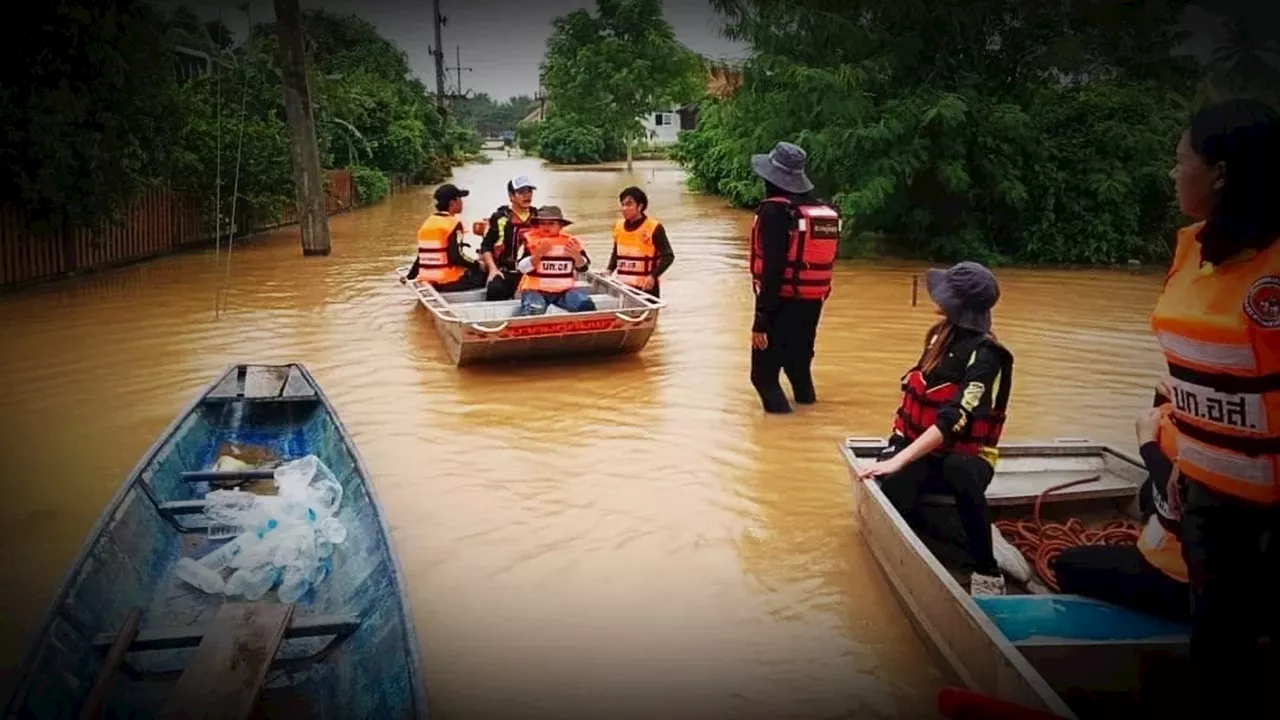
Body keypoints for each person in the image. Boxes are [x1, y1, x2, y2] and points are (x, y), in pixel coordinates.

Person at [1152, 97, 1280, 717]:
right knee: (1219, 658)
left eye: (1181, 161)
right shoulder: (1190, 250)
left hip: (1269, 513)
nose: (1174, 174)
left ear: (1220, 173)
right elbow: (1193, 372)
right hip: (1208, 502)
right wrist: (1182, 452)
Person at [856, 261, 1014, 597]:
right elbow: (916, 396)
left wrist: (900, 460)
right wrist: (894, 449)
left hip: (969, 457)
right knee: (894, 492)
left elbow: (954, 418)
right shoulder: (940, 338)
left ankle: (986, 567)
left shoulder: (987, 356)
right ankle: (941, 541)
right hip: (928, 451)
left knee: (959, 469)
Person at [1050, 405, 1190, 623]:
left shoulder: (1207, 457)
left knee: (1067, 565)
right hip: (1201, 575)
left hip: (1183, 582)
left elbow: (1181, 501)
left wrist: (1147, 444)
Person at [747, 141, 841, 414]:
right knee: (797, 368)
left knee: (763, 377)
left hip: (779, 303)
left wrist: (761, 318)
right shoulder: (820, 211)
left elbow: (773, 269)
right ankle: (807, 424)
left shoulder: (774, 212)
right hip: (811, 303)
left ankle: (780, 439)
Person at [514, 206, 596, 316]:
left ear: (560, 226)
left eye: (551, 223)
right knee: (535, 309)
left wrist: (576, 256)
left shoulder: (571, 242)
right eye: (543, 223)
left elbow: (584, 267)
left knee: (585, 304)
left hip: (564, 291)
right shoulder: (531, 242)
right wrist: (538, 255)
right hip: (536, 291)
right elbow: (521, 268)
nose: (546, 226)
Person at [405, 183, 486, 292]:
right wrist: (478, 265)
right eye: (460, 199)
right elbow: (456, 257)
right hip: (447, 281)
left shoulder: (428, 222)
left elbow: (422, 255)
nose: (462, 202)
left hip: (428, 281)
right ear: (453, 203)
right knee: (484, 274)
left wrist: (410, 276)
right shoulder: (453, 224)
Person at [478, 175, 539, 301]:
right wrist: (493, 269)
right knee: (495, 289)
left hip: (532, 273)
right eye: (521, 192)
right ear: (511, 196)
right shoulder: (500, 217)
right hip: (505, 272)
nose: (527, 195)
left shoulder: (540, 217)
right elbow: (486, 246)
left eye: (529, 191)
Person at [607, 186, 675, 297]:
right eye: (622, 204)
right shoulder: (618, 226)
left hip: (646, 289)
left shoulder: (654, 227)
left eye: (629, 204)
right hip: (623, 287)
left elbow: (668, 256)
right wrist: (609, 270)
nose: (624, 208)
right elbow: (616, 253)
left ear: (640, 206)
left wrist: (653, 276)